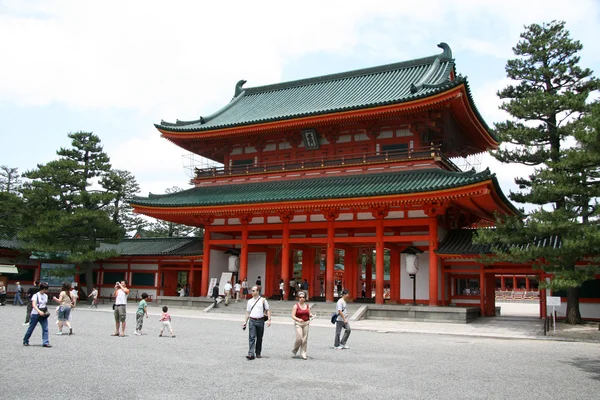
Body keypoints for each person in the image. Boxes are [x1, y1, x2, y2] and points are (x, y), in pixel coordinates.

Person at [242, 286, 271, 360]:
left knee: (259, 337)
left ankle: (258, 352)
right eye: (251, 291)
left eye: (253, 291)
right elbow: (247, 312)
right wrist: (245, 321)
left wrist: (269, 319)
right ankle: (251, 353)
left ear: (258, 292)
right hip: (252, 320)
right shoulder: (250, 301)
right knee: (251, 337)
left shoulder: (263, 300)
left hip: (260, 320)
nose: (252, 292)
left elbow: (268, 310)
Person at [23, 282, 52, 347]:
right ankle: (25, 340)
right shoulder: (36, 295)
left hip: (43, 313)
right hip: (35, 314)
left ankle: (45, 342)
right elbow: (34, 304)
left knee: (45, 328)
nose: (45, 291)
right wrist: (38, 311)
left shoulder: (45, 296)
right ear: (41, 288)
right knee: (31, 328)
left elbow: (44, 305)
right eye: (44, 289)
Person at [291, 291, 314, 360]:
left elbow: (309, 313)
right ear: (298, 298)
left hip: (306, 323)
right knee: (299, 338)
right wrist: (298, 319)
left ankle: (303, 353)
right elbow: (292, 315)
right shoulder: (296, 306)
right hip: (298, 323)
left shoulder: (307, 306)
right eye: (300, 297)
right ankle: (295, 349)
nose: (301, 298)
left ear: (305, 298)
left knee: (305, 339)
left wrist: (312, 315)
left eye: (303, 297)